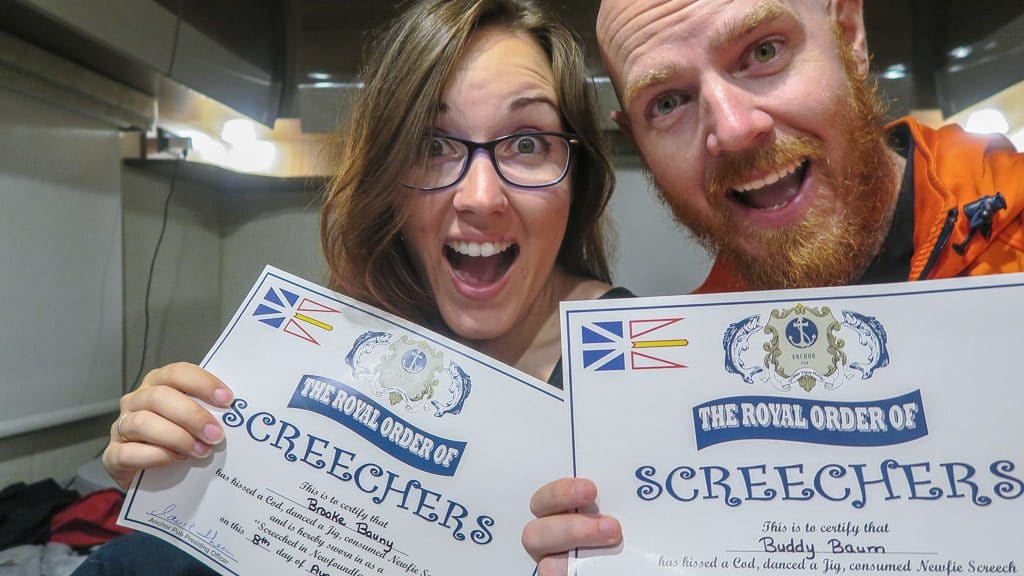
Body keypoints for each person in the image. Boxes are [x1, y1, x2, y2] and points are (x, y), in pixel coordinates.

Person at [73, 0, 628, 574]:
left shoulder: (633, 373)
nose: (479, 197)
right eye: (432, 146)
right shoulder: (341, 340)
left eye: (528, 143)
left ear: (577, 172)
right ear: (387, 179)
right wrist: (174, 480)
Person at [522, 0, 1023, 573]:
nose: (734, 130)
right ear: (636, 138)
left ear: (849, 34)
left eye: (763, 52)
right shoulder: (670, 390)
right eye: (668, 103)